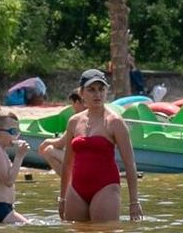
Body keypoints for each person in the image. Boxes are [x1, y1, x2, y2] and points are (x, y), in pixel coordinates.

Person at [58, 69, 142, 222]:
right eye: (91, 90)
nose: (97, 94)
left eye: (101, 89)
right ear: (82, 93)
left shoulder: (115, 122)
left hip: (105, 187)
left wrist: (134, 202)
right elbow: (67, 163)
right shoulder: (74, 121)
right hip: (76, 189)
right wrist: (62, 198)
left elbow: (130, 164)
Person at [0, 112, 29, 224]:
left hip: (3, 208)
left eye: (17, 132)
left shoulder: (0, 150)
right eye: (13, 132)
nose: (16, 136)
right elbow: (8, 181)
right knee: (29, 227)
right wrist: (19, 156)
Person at [37, 92, 86, 175]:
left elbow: (60, 144)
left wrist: (45, 142)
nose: (72, 108)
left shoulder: (76, 119)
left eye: (72, 104)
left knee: (48, 150)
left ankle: (69, 181)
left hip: (83, 162)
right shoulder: (98, 115)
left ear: (77, 103)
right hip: (97, 161)